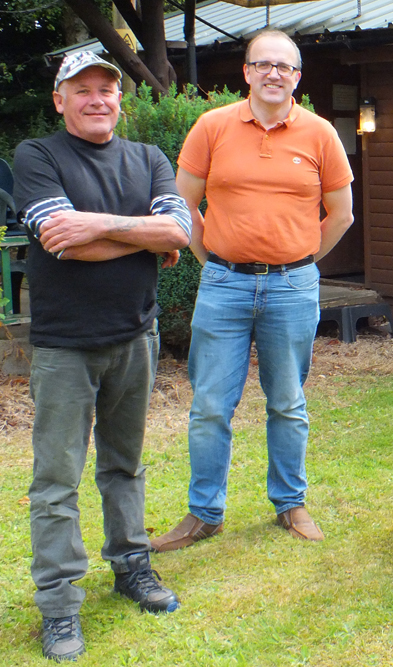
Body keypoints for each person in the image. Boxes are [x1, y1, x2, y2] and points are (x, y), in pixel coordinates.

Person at [13, 51, 192, 661]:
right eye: (81, 89)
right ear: (60, 100)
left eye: (106, 90)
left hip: (134, 337)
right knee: (55, 482)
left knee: (126, 466)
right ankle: (60, 605)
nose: (96, 99)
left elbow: (178, 232)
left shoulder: (147, 159)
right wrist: (137, 234)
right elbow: (59, 241)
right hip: (65, 347)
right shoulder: (37, 155)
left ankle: (131, 567)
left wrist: (95, 226)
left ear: (120, 99)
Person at [152, 30, 354, 551]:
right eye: (263, 64)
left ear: (297, 77)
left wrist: (303, 260)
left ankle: (290, 503)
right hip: (224, 285)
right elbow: (183, 207)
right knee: (211, 406)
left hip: (292, 286)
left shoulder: (320, 134)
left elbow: (342, 214)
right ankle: (204, 513)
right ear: (246, 72)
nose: (273, 74)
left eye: (284, 67)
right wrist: (213, 263)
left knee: (288, 402)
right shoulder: (212, 127)